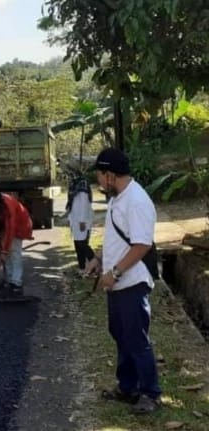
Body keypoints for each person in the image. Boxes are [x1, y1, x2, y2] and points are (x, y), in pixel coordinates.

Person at [84, 148, 162, 415]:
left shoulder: (136, 201)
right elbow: (117, 237)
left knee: (137, 339)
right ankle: (127, 387)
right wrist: (98, 259)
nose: (98, 180)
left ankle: (150, 394)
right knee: (120, 335)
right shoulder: (117, 198)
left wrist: (114, 272)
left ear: (110, 175)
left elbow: (141, 245)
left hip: (132, 282)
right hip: (117, 282)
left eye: (99, 174)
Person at [0, 190, 33, 295]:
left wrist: (4, 251)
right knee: (6, 253)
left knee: (14, 253)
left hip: (20, 225)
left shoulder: (9, 204)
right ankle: (9, 280)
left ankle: (16, 283)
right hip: (4, 224)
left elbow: (11, 228)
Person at [66, 167, 95, 276]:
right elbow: (71, 205)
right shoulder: (74, 187)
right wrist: (69, 219)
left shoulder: (82, 186)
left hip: (83, 220)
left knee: (83, 245)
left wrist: (82, 221)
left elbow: (84, 205)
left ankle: (95, 265)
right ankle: (82, 268)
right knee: (77, 245)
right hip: (75, 219)